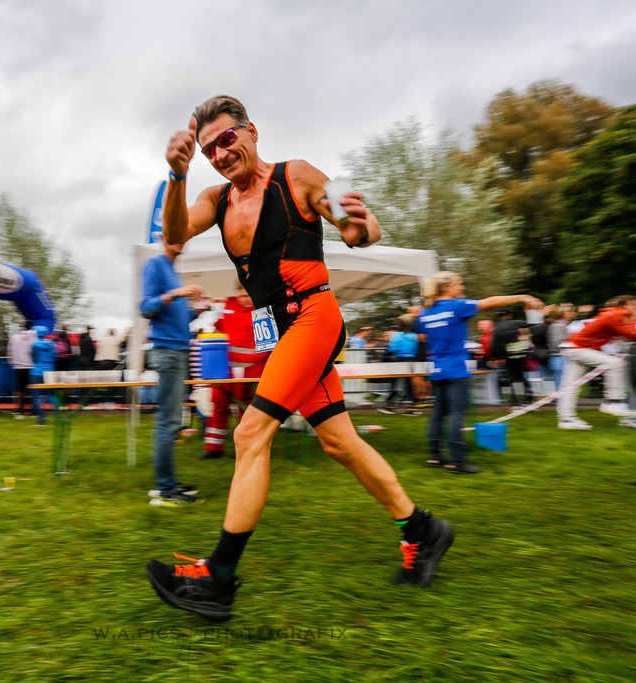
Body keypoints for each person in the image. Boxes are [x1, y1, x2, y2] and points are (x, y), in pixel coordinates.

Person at [146, 95, 454, 623]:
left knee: (249, 434)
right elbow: (173, 236)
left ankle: (218, 576)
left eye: (226, 140)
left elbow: (362, 230)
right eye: (206, 150)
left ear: (251, 132)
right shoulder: (213, 198)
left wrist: (360, 224)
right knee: (341, 442)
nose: (219, 155)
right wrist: (176, 176)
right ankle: (422, 530)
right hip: (279, 335)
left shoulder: (299, 176)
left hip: (313, 318)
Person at [416, 272, 542, 473]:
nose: (462, 288)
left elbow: (423, 343)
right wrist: (522, 297)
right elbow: (491, 301)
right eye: (459, 284)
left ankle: (435, 456)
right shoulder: (457, 306)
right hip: (456, 369)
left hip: (436, 370)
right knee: (457, 414)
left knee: (438, 415)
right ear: (447, 287)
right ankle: (457, 461)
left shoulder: (424, 314)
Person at [141, 234, 207, 506]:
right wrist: (175, 293)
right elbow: (145, 308)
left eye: (183, 234)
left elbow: (174, 317)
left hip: (177, 351)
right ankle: (166, 491)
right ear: (162, 238)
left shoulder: (171, 270)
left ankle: (166, 484)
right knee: (167, 422)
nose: (180, 239)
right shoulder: (156, 264)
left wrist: (197, 311)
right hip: (167, 353)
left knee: (170, 421)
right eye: (173, 234)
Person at [556, 296, 636, 430]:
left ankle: (566, 419)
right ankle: (613, 401)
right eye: (635, 306)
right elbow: (628, 334)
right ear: (625, 305)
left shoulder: (615, 314)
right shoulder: (615, 314)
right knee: (615, 363)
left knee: (570, 387)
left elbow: (627, 332)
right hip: (579, 347)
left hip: (575, 347)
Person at [200, 279, 270, 459]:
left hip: (251, 370)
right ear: (237, 292)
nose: (246, 299)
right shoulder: (227, 305)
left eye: (249, 295)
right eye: (243, 295)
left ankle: (249, 447)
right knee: (218, 405)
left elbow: (268, 346)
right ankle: (213, 448)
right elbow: (217, 330)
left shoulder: (262, 310)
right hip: (226, 370)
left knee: (247, 410)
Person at [7, 322, 38, 418]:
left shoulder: (14, 337)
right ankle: (32, 410)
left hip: (18, 367)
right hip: (31, 366)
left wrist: (13, 362)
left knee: (19, 389)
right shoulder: (34, 337)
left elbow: (10, 351)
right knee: (31, 389)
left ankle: (19, 410)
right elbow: (36, 351)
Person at [29, 326, 57, 425]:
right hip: (50, 371)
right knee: (51, 395)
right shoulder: (52, 344)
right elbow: (55, 357)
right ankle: (59, 416)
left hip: (37, 371)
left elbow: (32, 357)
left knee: (37, 396)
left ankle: (41, 420)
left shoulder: (34, 344)